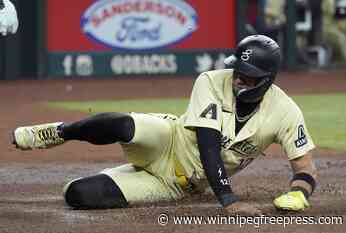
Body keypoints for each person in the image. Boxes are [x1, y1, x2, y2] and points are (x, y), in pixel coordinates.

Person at [12, 35, 317, 215]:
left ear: (267, 80)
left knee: (77, 196)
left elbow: (305, 165)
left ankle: (124, 177)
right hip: (170, 140)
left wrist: (299, 192)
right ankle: (60, 131)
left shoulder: (285, 111)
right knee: (122, 125)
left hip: (177, 185)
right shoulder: (211, 81)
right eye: (237, 69)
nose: (237, 78)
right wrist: (228, 199)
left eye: (247, 75)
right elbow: (209, 147)